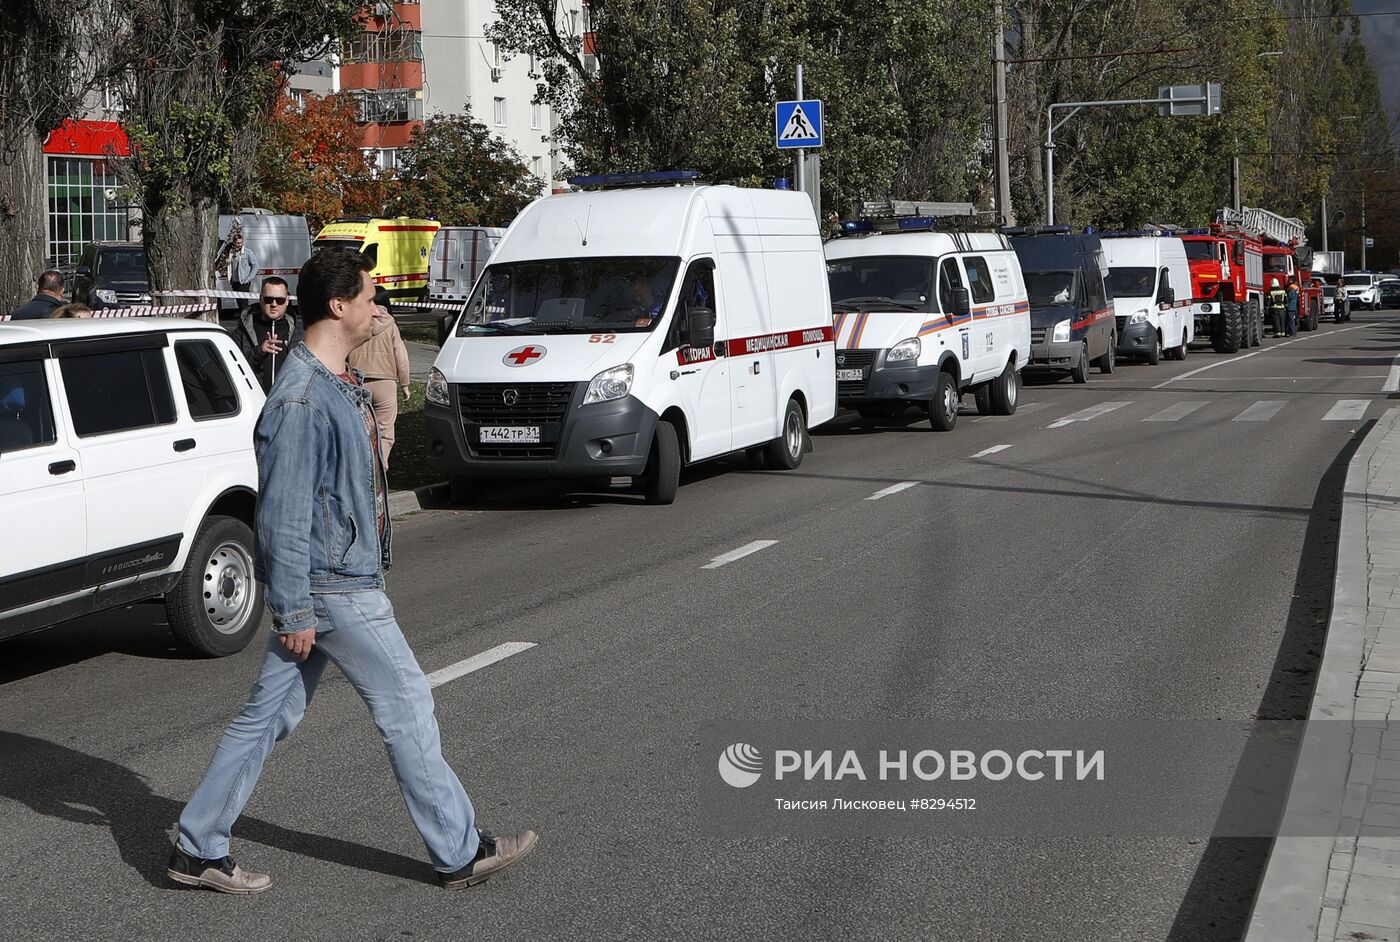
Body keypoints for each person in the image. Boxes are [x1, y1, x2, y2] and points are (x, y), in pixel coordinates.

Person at [167, 248, 538, 895]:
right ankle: (458, 850)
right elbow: (280, 515)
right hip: (334, 588)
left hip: (329, 583)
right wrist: (296, 611)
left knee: (267, 716)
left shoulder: (334, 381)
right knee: (408, 701)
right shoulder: (303, 399)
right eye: (369, 297)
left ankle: (197, 846)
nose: (378, 307)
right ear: (338, 306)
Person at [346, 287, 412, 468]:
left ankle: (360, 468)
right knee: (385, 432)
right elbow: (401, 356)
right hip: (386, 383)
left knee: (360, 429)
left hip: (358, 381)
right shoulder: (391, 324)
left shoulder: (355, 322)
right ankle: (379, 469)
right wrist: (405, 384)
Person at [231, 276, 302, 392]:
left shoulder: (300, 331)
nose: (274, 304)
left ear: (287, 301)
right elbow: (233, 366)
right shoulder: (243, 331)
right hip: (256, 401)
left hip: (288, 403)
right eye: (269, 299)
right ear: (260, 299)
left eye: (280, 300)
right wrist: (257, 353)